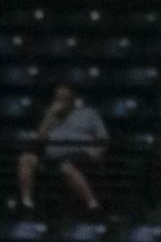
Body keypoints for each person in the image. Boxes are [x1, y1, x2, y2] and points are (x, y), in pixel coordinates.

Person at [16, 84, 107, 213]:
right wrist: (50, 115)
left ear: (72, 100)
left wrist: (97, 152)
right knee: (25, 159)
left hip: (81, 154)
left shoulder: (89, 113)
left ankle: (93, 205)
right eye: (58, 98)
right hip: (51, 156)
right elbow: (39, 139)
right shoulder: (49, 115)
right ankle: (26, 204)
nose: (60, 101)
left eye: (64, 98)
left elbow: (103, 138)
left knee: (66, 167)